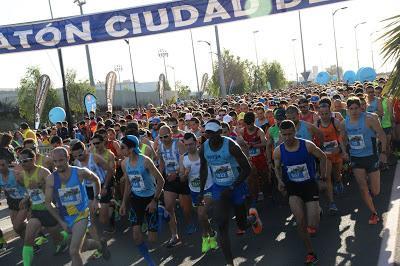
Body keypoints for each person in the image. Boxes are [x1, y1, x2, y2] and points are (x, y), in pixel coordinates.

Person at [199, 119, 262, 266]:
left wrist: (233, 186)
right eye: (208, 133)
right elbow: (203, 169)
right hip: (219, 189)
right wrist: (201, 192)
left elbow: (247, 168)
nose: (210, 137)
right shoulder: (204, 148)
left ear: (220, 132)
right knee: (221, 224)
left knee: (242, 224)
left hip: (236, 186)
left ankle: (252, 218)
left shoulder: (231, 146)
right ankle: (229, 263)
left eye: (213, 133)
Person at [273, 120, 327, 265]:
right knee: (300, 221)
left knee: (313, 225)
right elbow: (277, 167)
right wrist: (279, 181)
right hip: (293, 188)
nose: (287, 137)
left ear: (295, 132)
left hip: (309, 185)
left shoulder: (307, 145)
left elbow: (323, 157)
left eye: (290, 134)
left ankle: (317, 210)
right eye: (284, 135)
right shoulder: (278, 150)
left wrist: (323, 177)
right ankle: (310, 253)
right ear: (280, 134)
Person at [45, 147, 110, 266]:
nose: (58, 164)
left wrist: (97, 199)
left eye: (61, 160)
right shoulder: (51, 179)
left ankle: (98, 245)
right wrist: (61, 221)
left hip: (82, 214)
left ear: (68, 158)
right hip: (66, 216)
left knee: (74, 251)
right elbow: (48, 203)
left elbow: (96, 180)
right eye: (55, 161)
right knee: (83, 246)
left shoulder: (80, 172)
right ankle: (100, 244)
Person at [15, 148, 67, 266]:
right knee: (28, 240)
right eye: (20, 161)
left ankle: (63, 238)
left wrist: (41, 185)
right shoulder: (23, 175)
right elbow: (30, 191)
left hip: (48, 210)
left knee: (57, 239)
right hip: (35, 211)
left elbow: (55, 191)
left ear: (33, 159)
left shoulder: (43, 172)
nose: (22, 163)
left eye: (25, 161)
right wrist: (26, 198)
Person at [340, 97, 387, 224]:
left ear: (361, 107)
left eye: (357, 108)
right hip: (356, 159)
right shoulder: (345, 123)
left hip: (371, 157)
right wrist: (344, 151)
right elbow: (342, 138)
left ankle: (370, 195)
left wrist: (383, 152)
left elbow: (382, 135)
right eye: (351, 109)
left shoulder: (369, 119)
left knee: (375, 190)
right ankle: (373, 213)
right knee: (362, 187)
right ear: (347, 110)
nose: (354, 111)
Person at [119, 135, 165, 266]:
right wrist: (123, 203)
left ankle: (161, 211)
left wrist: (154, 201)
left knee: (152, 239)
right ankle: (148, 259)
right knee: (136, 236)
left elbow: (161, 180)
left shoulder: (145, 161)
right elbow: (128, 183)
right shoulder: (124, 163)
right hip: (136, 200)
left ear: (132, 148)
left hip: (150, 199)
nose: (120, 150)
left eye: (123, 147)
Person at [180, 132, 217, 253]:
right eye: (186, 145)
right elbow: (181, 178)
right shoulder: (183, 158)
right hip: (194, 191)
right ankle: (211, 234)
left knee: (201, 214)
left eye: (191, 144)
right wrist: (185, 174)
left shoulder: (204, 154)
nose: (189, 147)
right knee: (202, 217)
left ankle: (204, 237)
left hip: (208, 188)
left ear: (196, 142)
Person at [157, 125, 194, 246]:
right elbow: (161, 161)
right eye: (161, 137)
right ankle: (174, 235)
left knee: (186, 208)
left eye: (165, 136)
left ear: (171, 134)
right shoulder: (160, 146)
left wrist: (177, 172)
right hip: (169, 179)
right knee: (168, 206)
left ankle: (189, 223)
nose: (163, 139)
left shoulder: (178, 144)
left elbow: (185, 160)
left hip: (182, 178)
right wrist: (160, 175)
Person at [237, 112, 269, 205]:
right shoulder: (243, 131)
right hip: (249, 157)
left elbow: (265, 143)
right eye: (247, 124)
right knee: (251, 176)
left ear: (253, 122)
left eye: (250, 124)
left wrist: (253, 145)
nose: (249, 126)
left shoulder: (259, 131)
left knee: (263, 175)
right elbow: (239, 143)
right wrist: (245, 145)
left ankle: (264, 190)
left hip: (259, 157)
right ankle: (254, 193)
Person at [316, 103, 341, 212]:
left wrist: (340, 147)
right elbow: (313, 140)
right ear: (319, 114)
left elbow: (343, 136)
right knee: (327, 178)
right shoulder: (316, 124)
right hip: (325, 155)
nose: (324, 116)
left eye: (326, 113)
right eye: (322, 113)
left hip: (336, 153)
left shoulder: (335, 122)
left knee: (336, 175)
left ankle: (339, 181)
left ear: (330, 113)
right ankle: (332, 203)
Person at [91, 134, 116, 233]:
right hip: (95, 182)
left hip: (107, 181)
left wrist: (105, 186)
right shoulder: (91, 153)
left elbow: (112, 172)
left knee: (108, 206)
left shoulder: (109, 155)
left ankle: (112, 221)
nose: (96, 145)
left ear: (103, 142)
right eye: (94, 143)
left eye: (98, 143)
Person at [0, 151, 27, 239]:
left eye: (3, 165)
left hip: (25, 199)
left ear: (8, 164)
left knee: (17, 226)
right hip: (13, 201)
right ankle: (32, 243)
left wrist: (19, 179)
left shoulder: (15, 173)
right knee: (17, 228)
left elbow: (28, 187)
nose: (1, 167)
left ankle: (35, 232)